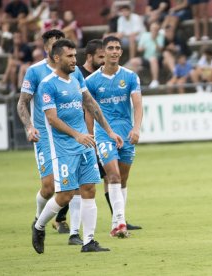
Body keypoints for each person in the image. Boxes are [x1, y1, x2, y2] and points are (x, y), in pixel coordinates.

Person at [31, 39, 123, 254]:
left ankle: (89, 241)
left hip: (85, 144)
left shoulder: (77, 77)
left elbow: (90, 103)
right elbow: (52, 119)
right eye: (70, 56)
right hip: (63, 147)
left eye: (75, 55)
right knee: (65, 195)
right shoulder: (47, 84)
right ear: (57, 58)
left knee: (90, 189)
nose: (75, 60)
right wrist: (77, 135)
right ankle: (39, 225)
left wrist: (109, 132)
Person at [17, 30, 83, 246]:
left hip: (69, 133)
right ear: (48, 48)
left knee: (75, 185)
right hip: (45, 136)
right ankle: (39, 218)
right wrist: (29, 127)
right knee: (48, 186)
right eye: (55, 45)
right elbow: (22, 102)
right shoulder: (35, 72)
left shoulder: (73, 72)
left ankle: (74, 231)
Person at [81, 38, 142, 231]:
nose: (114, 51)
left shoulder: (130, 77)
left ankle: (117, 220)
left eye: (117, 48)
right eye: (110, 48)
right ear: (103, 52)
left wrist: (137, 128)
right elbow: (89, 111)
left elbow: (138, 104)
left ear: (121, 52)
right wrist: (90, 136)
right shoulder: (90, 81)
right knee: (113, 176)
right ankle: (121, 222)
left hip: (126, 133)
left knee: (123, 179)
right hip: (103, 134)